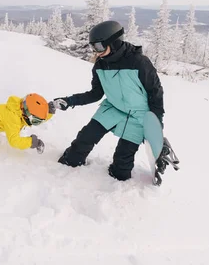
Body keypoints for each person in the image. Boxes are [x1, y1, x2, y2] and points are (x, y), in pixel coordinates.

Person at [51, 20, 164, 181]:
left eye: (99, 47)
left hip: (138, 115)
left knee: (122, 162)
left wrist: (156, 124)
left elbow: (156, 93)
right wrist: (69, 101)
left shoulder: (139, 62)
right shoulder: (100, 66)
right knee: (85, 138)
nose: (96, 52)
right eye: (93, 47)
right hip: (113, 108)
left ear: (114, 42)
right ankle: (70, 163)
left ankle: (118, 179)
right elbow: (95, 94)